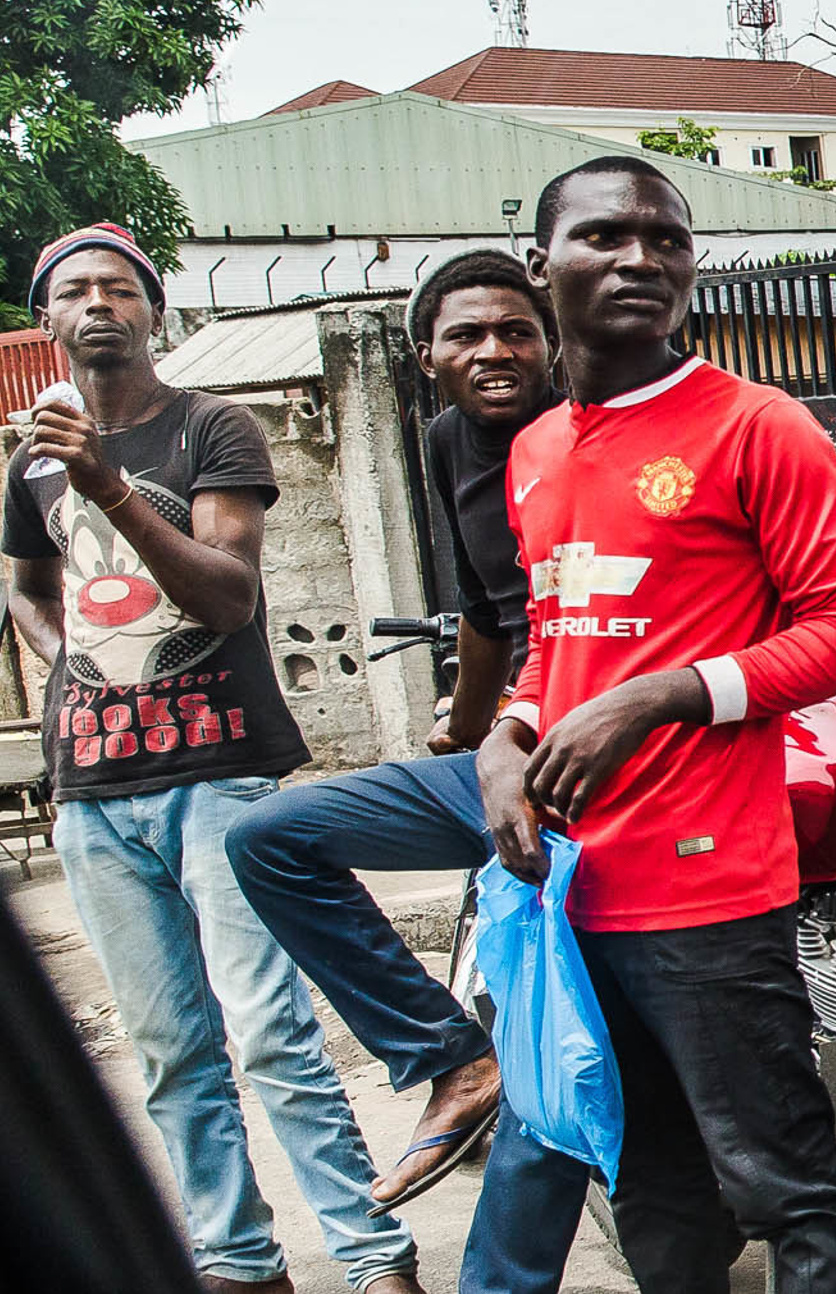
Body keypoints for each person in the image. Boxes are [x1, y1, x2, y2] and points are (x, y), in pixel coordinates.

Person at [478, 154, 836, 1294]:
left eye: (666, 240)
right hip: (576, 894)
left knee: (788, 1190)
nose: (640, 260)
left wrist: (662, 695)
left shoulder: (759, 429)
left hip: (710, 897)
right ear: (540, 267)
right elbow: (559, 637)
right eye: (605, 237)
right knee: (654, 1195)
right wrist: (506, 736)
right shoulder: (535, 450)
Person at [1, 224, 425, 1294]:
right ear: (47, 319)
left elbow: (230, 595)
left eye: (119, 289)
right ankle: (237, 1264)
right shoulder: (29, 461)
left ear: (155, 312)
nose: (98, 304)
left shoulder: (211, 427)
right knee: (171, 1056)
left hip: (218, 777)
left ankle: (373, 1258)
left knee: (274, 1036)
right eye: (74, 292)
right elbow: (26, 589)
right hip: (94, 795)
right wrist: (74, 670)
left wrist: (104, 484)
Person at [227, 251, 590, 1294]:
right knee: (271, 838)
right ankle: (445, 1055)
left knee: (551, 1045)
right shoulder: (442, 442)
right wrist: (469, 729)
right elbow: (486, 611)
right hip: (508, 751)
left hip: (593, 758)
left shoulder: (586, 434)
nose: (494, 353)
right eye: (466, 336)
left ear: (550, 340)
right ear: (423, 355)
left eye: (514, 331)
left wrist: (515, 734)